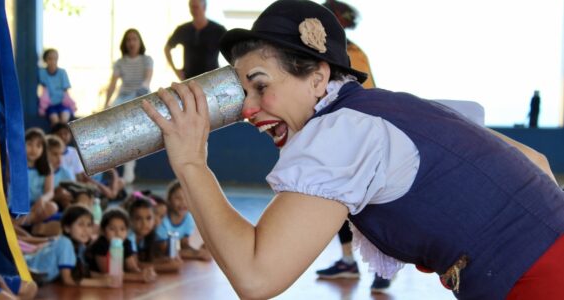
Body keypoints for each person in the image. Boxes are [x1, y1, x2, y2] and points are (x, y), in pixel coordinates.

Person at [142, 0, 564, 299]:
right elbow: (536, 162)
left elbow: (256, 277)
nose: (248, 109)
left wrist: (191, 161)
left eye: (261, 85)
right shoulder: (394, 106)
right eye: (242, 92)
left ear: (317, 78)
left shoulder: (341, 135)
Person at [315, 0, 388, 291]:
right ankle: (347, 261)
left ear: (338, 22)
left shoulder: (352, 53)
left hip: (360, 138)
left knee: (371, 207)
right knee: (339, 202)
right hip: (334, 137)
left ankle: (384, 265)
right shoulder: (320, 53)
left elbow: (365, 97)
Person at [24, 205, 121, 287]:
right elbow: (68, 279)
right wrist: (100, 282)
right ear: (67, 228)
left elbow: (82, 272)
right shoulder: (65, 243)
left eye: (89, 225)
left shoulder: (80, 246)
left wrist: (102, 276)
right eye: (80, 225)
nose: (86, 230)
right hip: (21, 271)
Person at [104, 28, 153, 184]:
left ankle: (128, 171)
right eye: (128, 40)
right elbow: (112, 84)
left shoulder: (147, 60)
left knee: (131, 135)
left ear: (140, 42)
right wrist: (106, 104)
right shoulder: (120, 63)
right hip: (123, 98)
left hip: (139, 97)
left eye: (134, 39)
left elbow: (147, 80)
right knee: (112, 126)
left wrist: (141, 90)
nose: (131, 42)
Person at [86, 208, 157, 283]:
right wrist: (138, 277)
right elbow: (108, 273)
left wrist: (145, 273)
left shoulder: (126, 243)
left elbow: (132, 268)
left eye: (122, 229)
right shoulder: (100, 244)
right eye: (112, 229)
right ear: (103, 231)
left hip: (117, 282)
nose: (118, 233)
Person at [163, 0, 226, 81]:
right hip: (189, 79)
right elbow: (167, 48)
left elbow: (232, 49)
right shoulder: (183, 29)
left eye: (196, 7)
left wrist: (226, 71)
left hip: (212, 80)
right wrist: (176, 71)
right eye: (191, 7)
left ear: (204, 7)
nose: (193, 10)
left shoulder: (218, 30)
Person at [156, 180, 211, 261]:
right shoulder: (162, 219)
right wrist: (197, 254)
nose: (183, 202)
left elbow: (184, 245)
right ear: (169, 200)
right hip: (154, 251)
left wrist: (201, 250)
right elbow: (165, 251)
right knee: (175, 265)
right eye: (178, 198)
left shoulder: (188, 219)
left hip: (166, 251)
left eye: (187, 198)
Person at [126, 196, 182, 273]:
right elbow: (135, 265)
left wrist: (167, 260)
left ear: (153, 219)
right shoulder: (129, 237)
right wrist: (168, 267)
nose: (144, 223)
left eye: (148, 218)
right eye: (138, 218)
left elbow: (147, 260)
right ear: (130, 220)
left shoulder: (149, 235)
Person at [38, 48, 76, 126]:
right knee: (54, 121)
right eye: (50, 58)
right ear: (45, 60)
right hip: (50, 105)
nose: (53, 61)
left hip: (63, 104)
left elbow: (66, 92)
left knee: (64, 120)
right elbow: (42, 91)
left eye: (55, 58)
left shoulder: (62, 72)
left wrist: (71, 105)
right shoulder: (42, 73)